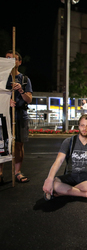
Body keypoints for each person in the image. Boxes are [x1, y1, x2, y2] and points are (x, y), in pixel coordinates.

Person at [42, 114, 87, 200]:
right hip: (71, 175)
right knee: (53, 183)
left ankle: (63, 192)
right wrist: (49, 179)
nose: (84, 128)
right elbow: (59, 160)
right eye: (82, 125)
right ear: (78, 126)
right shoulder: (69, 141)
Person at [0, 51, 33, 184]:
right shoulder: (1, 78)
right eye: (7, 58)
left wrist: (21, 91)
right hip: (3, 115)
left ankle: (17, 172)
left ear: (19, 62)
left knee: (19, 144)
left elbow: (29, 99)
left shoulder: (24, 79)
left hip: (20, 115)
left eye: (13, 59)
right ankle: (0, 173)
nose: (10, 60)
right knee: (1, 144)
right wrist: (5, 101)